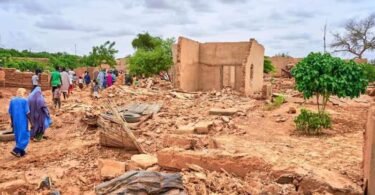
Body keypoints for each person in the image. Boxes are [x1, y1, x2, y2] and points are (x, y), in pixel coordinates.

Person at [9, 88, 32, 157]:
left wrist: (12, 123)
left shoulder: (12, 101)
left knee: (18, 135)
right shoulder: (25, 100)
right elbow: (27, 113)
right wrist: (32, 123)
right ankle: (15, 150)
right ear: (23, 93)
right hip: (23, 121)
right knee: (25, 136)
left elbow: (11, 113)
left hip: (15, 121)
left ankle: (21, 152)